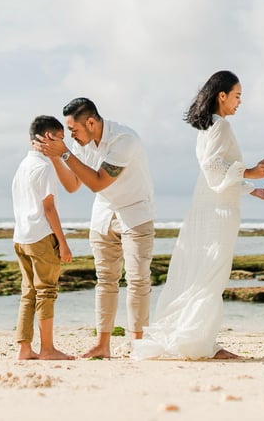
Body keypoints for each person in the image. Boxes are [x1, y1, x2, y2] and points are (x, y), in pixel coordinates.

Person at [131, 70, 264, 360]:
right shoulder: (220, 126)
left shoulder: (208, 127)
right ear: (221, 96)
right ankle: (198, 343)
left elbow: (217, 169)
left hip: (209, 204)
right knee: (212, 275)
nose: (239, 102)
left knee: (201, 272)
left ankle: (199, 339)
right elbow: (214, 169)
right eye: (237, 96)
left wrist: (252, 189)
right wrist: (252, 172)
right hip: (219, 211)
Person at [34, 98, 155, 358]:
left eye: (74, 129)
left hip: (135, 213)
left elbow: (99, 182)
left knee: (137, 280)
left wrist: (64, 153)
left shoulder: (125, 140)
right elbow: (72, 184)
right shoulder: (82, 143)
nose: (72, 135)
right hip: (103, 215)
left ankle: (137, 344)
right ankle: (103, 345)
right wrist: (54, 156)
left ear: (91, 122)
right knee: (105, 281)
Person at [12, 115, 75, 361]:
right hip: (41, 236)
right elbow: (49, 209)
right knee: (47, 292)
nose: (61, 144)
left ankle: (24, 348)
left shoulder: (23, 166)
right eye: (60, 138)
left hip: (21, 237)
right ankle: (47, 349)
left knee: (29, 292)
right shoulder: (44, 167)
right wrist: (64, 243)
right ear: (49, 137)